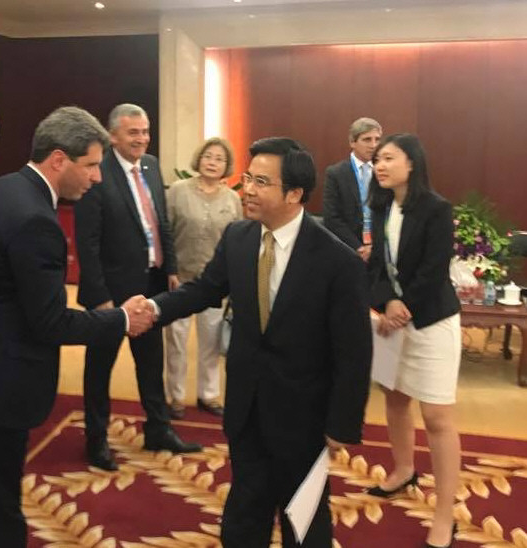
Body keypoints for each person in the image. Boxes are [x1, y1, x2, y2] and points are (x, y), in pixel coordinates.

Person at [0, 106, 154, 548]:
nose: (97, 178)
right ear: (59, 159)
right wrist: (122, 318)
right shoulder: (36, 221)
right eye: (92, 165)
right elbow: (51, 322)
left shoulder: (0, 188)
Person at [147, 137, 372, 547]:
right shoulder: (239, 237)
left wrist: (343, 422)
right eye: (248, 178)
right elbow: (204, 290)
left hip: (304, 415)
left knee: (304, 521)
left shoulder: (337, 261)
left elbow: (354, 351)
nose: (247, 189)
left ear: (294, 193)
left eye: (261, 182)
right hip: (247, 405)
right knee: (245, 511)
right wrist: (153, 309)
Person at [74, 103, 202, 472]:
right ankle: (96, 439)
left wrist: (171, 268)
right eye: (133, 132)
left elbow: (162, 223)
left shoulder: (150, 165)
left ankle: (158, 429)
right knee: (100, 368)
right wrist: (99, 297)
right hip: (111, 295)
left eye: (145, 131)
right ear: (113, 135)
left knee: (150, 363)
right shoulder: (97, 171)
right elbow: (87, 242)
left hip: (151, 285)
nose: (142, 139)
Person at [365, 134, 461, 548]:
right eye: (376, 160)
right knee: (395, 397)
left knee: (437, 417)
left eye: (388, 158)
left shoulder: (437, 209)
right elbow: (376, 265)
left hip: (431, 321)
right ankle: (404, 470)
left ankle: (445, 514)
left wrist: (403, 307)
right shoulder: (381, 206)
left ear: (412, 163)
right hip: (393, 319)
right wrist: (387, 301)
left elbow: (434, 269)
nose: (379, 166)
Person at [164, 137, 242, 419]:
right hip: (180, 280)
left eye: (219, 159)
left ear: (227, 166)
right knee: (176, 341)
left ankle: (208, 395)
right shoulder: (178, 190)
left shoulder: (233, 199)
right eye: (208, 156)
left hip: (215, 284)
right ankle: (175, 396)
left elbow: (237, 241)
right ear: (199, 159)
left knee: (210, 342)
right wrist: (170, 270)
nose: (213, 162)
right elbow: (166, 232)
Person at [323, 117, 382, 262]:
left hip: (380, 249)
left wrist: (377, 246)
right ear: (352, 142)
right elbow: (331, 218)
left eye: (377, 139)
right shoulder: (336, 173)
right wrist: (358, 248)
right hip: (348, 249)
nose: (373, 145)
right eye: (367, 139)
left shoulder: (385, 171)